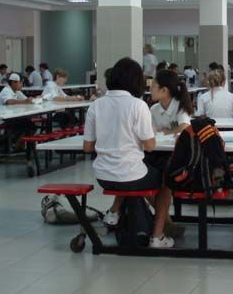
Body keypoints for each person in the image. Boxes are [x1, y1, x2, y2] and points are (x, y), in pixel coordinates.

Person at [83, 57, 174, 248]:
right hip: (131, 175)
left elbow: (88, 147)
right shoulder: (138, 105)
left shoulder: (95, 106)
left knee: (130, 174)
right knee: (165, 181)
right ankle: (158, 235)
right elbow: (149, 146)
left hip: (103, 176)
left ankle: (115, 213)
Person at [150, 70, 193, 135]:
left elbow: (185, 127)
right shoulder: (153, 109)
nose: (150, 89)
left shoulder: (180, 106)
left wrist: (167, 132)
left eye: (153, 86)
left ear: (164, 90)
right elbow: (151, 132)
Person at [0, 73, 36, 141]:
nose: (22, 85)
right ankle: (13, 144)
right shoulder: (6, 90)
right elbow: (9, 102)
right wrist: (25, 101)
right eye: (21, 83)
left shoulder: (17, 91)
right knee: (28, 125)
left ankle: (17, 146)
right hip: (3, 119)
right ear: (13, 82)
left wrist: (35, 99)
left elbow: (26, 100)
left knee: (30, 124)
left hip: (12, 117)